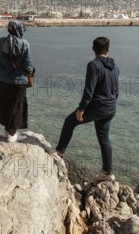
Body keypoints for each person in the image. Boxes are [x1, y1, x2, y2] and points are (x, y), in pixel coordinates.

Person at [54, 37, 119, 181]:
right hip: (111, 108)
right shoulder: (115, 67)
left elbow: (89, 90)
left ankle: (59, 151)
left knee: (69, 122)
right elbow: (116, 90)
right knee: (104, 139)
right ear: (108, 49)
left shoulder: (93, 65)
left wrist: (81, 108)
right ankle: (108, 172)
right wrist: (111, 104)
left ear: (93, 49)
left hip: (98, 107)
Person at [0, 20, 35, 142]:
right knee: (17, 106)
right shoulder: (24, 44)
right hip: (19, 81)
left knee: (6, 103)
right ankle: (12, 135)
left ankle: (7, 130)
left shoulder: (1, 41)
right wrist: (31, 71)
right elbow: (28, 65)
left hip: (4, 79)